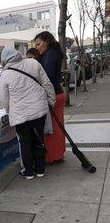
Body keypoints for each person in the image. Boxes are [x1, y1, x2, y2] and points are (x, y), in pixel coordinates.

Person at [0, 48, 55, 179]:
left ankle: (28, 171)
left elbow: (4, 99)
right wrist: (51, 100)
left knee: (25, 142)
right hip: (39, 109)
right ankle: (40, 169)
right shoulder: (33, 63)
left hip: (20, 114)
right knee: (39, 138)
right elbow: (46, 83)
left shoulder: (5, 74)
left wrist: (9, 112)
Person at [34, 31, 66, 163]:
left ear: (46, 41)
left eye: (38, 43)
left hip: (53, 95)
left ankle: (51, 157)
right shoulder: (53, 52)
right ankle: (57, 154)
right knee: (56, 128)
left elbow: (48, 76)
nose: (37, 47)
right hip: (57, 94)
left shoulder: (50, 54)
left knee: (50, 129)